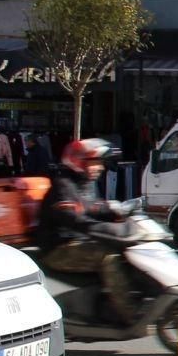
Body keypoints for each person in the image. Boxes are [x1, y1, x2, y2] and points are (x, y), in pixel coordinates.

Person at [38, 138, 137, 324]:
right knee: (108, 257)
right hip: (59, 248)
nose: (99, 167)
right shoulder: (64, 186)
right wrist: (106, 228)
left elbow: (96, 208)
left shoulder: (86, 184)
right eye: (94, 163)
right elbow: (74, 218)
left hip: (80, 242)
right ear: (79, 162)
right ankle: (130, 314)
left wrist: (120, 212)